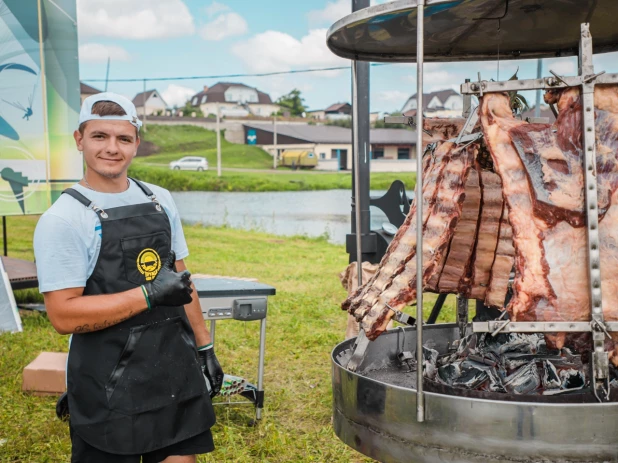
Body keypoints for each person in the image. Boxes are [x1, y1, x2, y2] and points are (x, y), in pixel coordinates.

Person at [33, 92, 224, 463]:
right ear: (79, 140)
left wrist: (204, 348)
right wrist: (148, 294)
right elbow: (62, 315)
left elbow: (183, 282)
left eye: (123, 138)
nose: (112, 148)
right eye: (99, 136)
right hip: (108, 379)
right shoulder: (64, 220)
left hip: (172, 366)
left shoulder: (160, 200)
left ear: (136, 142)